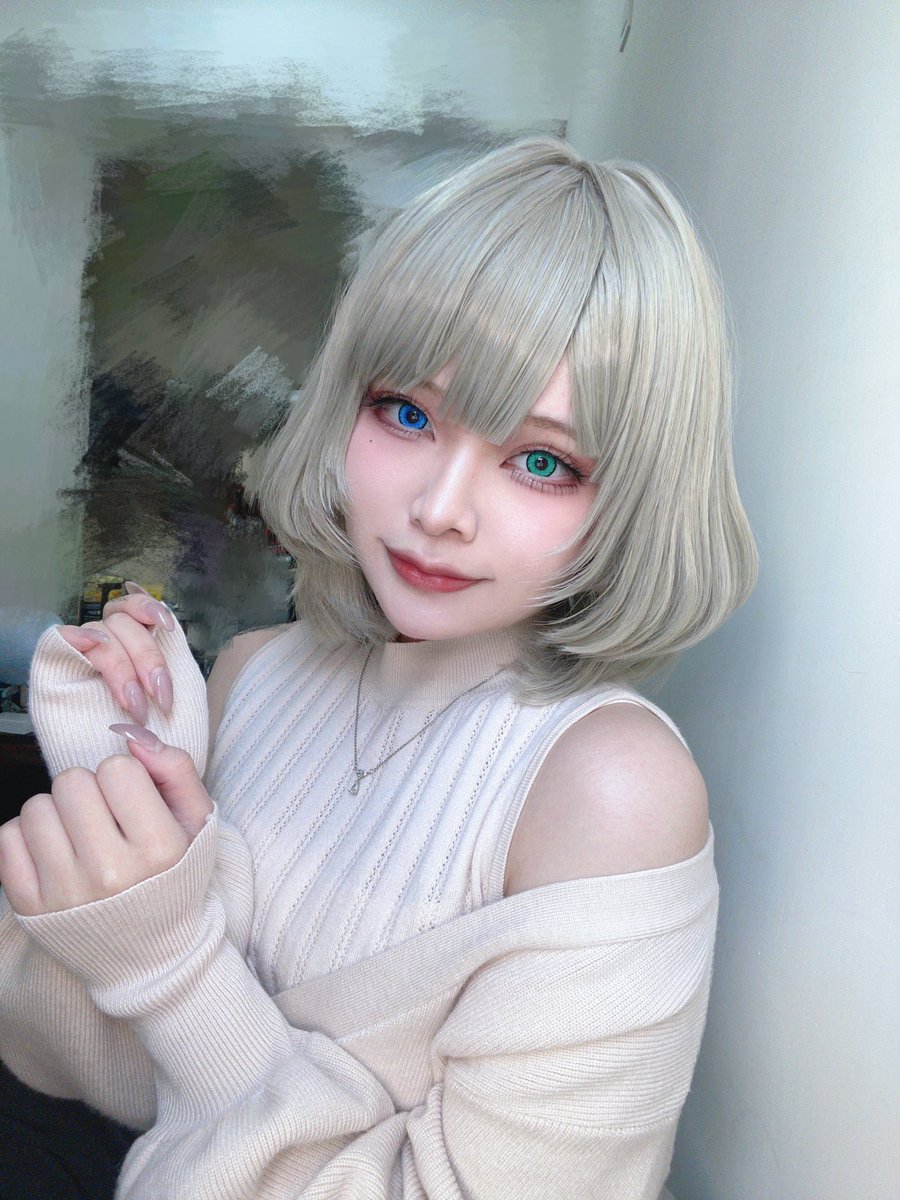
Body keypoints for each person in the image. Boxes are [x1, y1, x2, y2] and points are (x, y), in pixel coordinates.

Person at [0, 137, 756, 1199]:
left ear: (635, 495)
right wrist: (115, 778)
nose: (439, 510)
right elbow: (98, 1079)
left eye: (542, 461)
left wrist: (167, 963)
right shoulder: (253, 675)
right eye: (408, 412)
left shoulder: (609, 791)